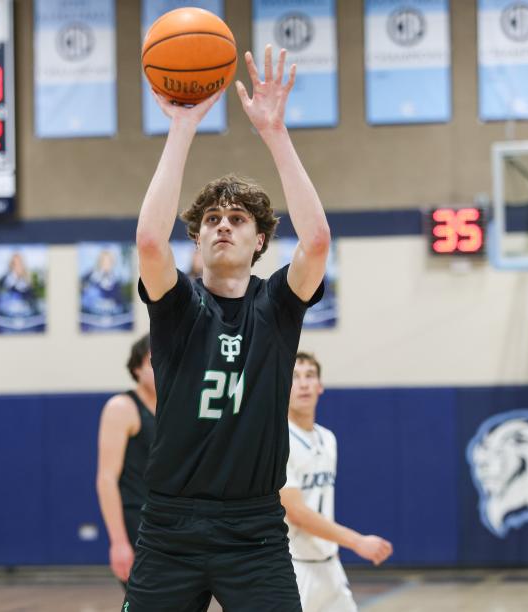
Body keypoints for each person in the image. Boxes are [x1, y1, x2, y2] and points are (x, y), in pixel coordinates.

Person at [125, 45, 330, 611]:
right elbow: (147, 242)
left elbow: (316, 243)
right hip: (170, 528)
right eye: (211, 219)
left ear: (260, 239)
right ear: (195, 237)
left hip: (255, 530)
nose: (222, 226)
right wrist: (183, 126)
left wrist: (276, 132)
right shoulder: (178, 306)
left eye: (237, 219)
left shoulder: (279, 305)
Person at [280, 353, 393, 612]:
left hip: (329, 564)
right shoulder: (279, 441)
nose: (304, 384)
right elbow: (297, 512)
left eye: (310, 376)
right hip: (294, 566)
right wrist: (357, 542)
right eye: (295, 377)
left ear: (320, 386)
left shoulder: (328, 439)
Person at [95, 335, 157, 585]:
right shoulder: (122, 408)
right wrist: (118, 542)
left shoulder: (178, 407)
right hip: (137, 524)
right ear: (137, 368)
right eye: (155, 362)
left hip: (173, 522)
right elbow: (106, 479)